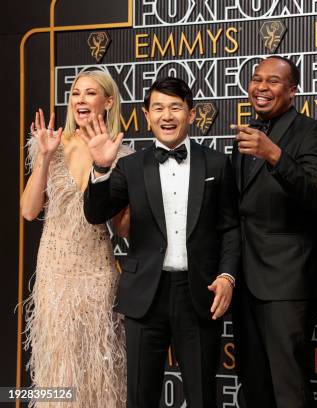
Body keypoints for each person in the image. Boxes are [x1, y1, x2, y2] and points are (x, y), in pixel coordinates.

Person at [82, 76, 240, 408]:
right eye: (158, 108)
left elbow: (230, 229)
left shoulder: (216, 163)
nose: (166, 115)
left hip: (199, 294)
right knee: (140, 396)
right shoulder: (129, 166)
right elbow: (96, 213)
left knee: (202, 396)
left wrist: (227, 276)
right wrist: (100, 167)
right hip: (145, 295)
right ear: (147, 115)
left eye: (175, 107)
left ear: (191, 114)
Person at [21, 69, 130, 407]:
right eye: (76, 93)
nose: (80, 99)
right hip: (55, 269)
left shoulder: (121, 154)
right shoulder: (49, 144)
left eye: (90, 93)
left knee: (98, 366)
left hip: (97, 271)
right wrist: (44, 157)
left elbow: (123, 227)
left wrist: (106, 168)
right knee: (60, 367)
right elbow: (28, 210)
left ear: (108, 101)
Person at [231, 56, 317, 408]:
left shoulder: (313, 132)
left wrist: (274, 154)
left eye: (272, 81)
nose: (261, 87)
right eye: (256, 79)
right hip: (245, 278)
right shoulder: (247, 134)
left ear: (293, 90)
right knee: (253, 383)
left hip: (288, 280)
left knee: (289, 387)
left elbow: (315, 192)